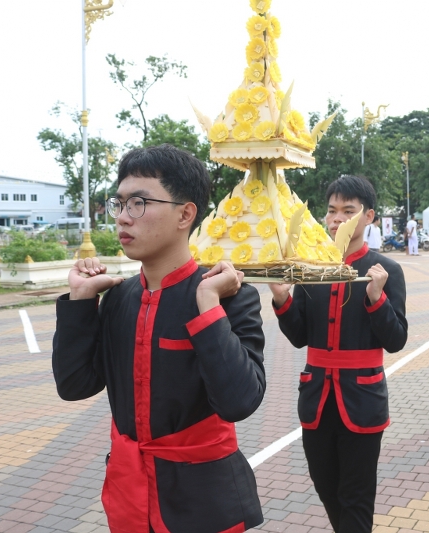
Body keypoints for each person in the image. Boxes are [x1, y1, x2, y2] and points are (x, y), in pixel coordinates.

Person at [52, 145, 266, 532]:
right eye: (119, 203)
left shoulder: (229, 296)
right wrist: (81, 302)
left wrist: (207, 304)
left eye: (138, 203)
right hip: (129, 493)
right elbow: (74, 385)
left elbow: (239, 401)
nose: (122, 217)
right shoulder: (118, 298)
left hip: (203, 502)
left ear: (185, 214)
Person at [269, 175, 408, 533]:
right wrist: (283, 300)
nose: (337, 220)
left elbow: (396, 340)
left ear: (369, 216)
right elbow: (300, 336)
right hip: (317, 397)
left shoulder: (386, 270)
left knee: (356, 496)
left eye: (348, 211)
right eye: (332, 211)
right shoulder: (312, 268)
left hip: (362, 398)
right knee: (325, 486)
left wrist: (377, 299)